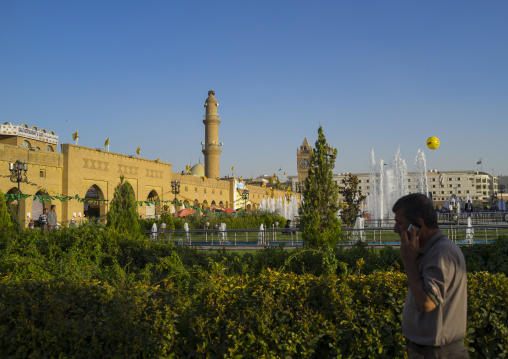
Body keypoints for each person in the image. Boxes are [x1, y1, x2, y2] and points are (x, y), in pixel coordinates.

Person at [393, 193, 469, 358]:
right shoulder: (427, 251)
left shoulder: (441, 252)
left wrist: (408, 262)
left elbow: (427, 302)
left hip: (439, 353)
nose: (395, 229)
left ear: (418, 225)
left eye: (399, 223)